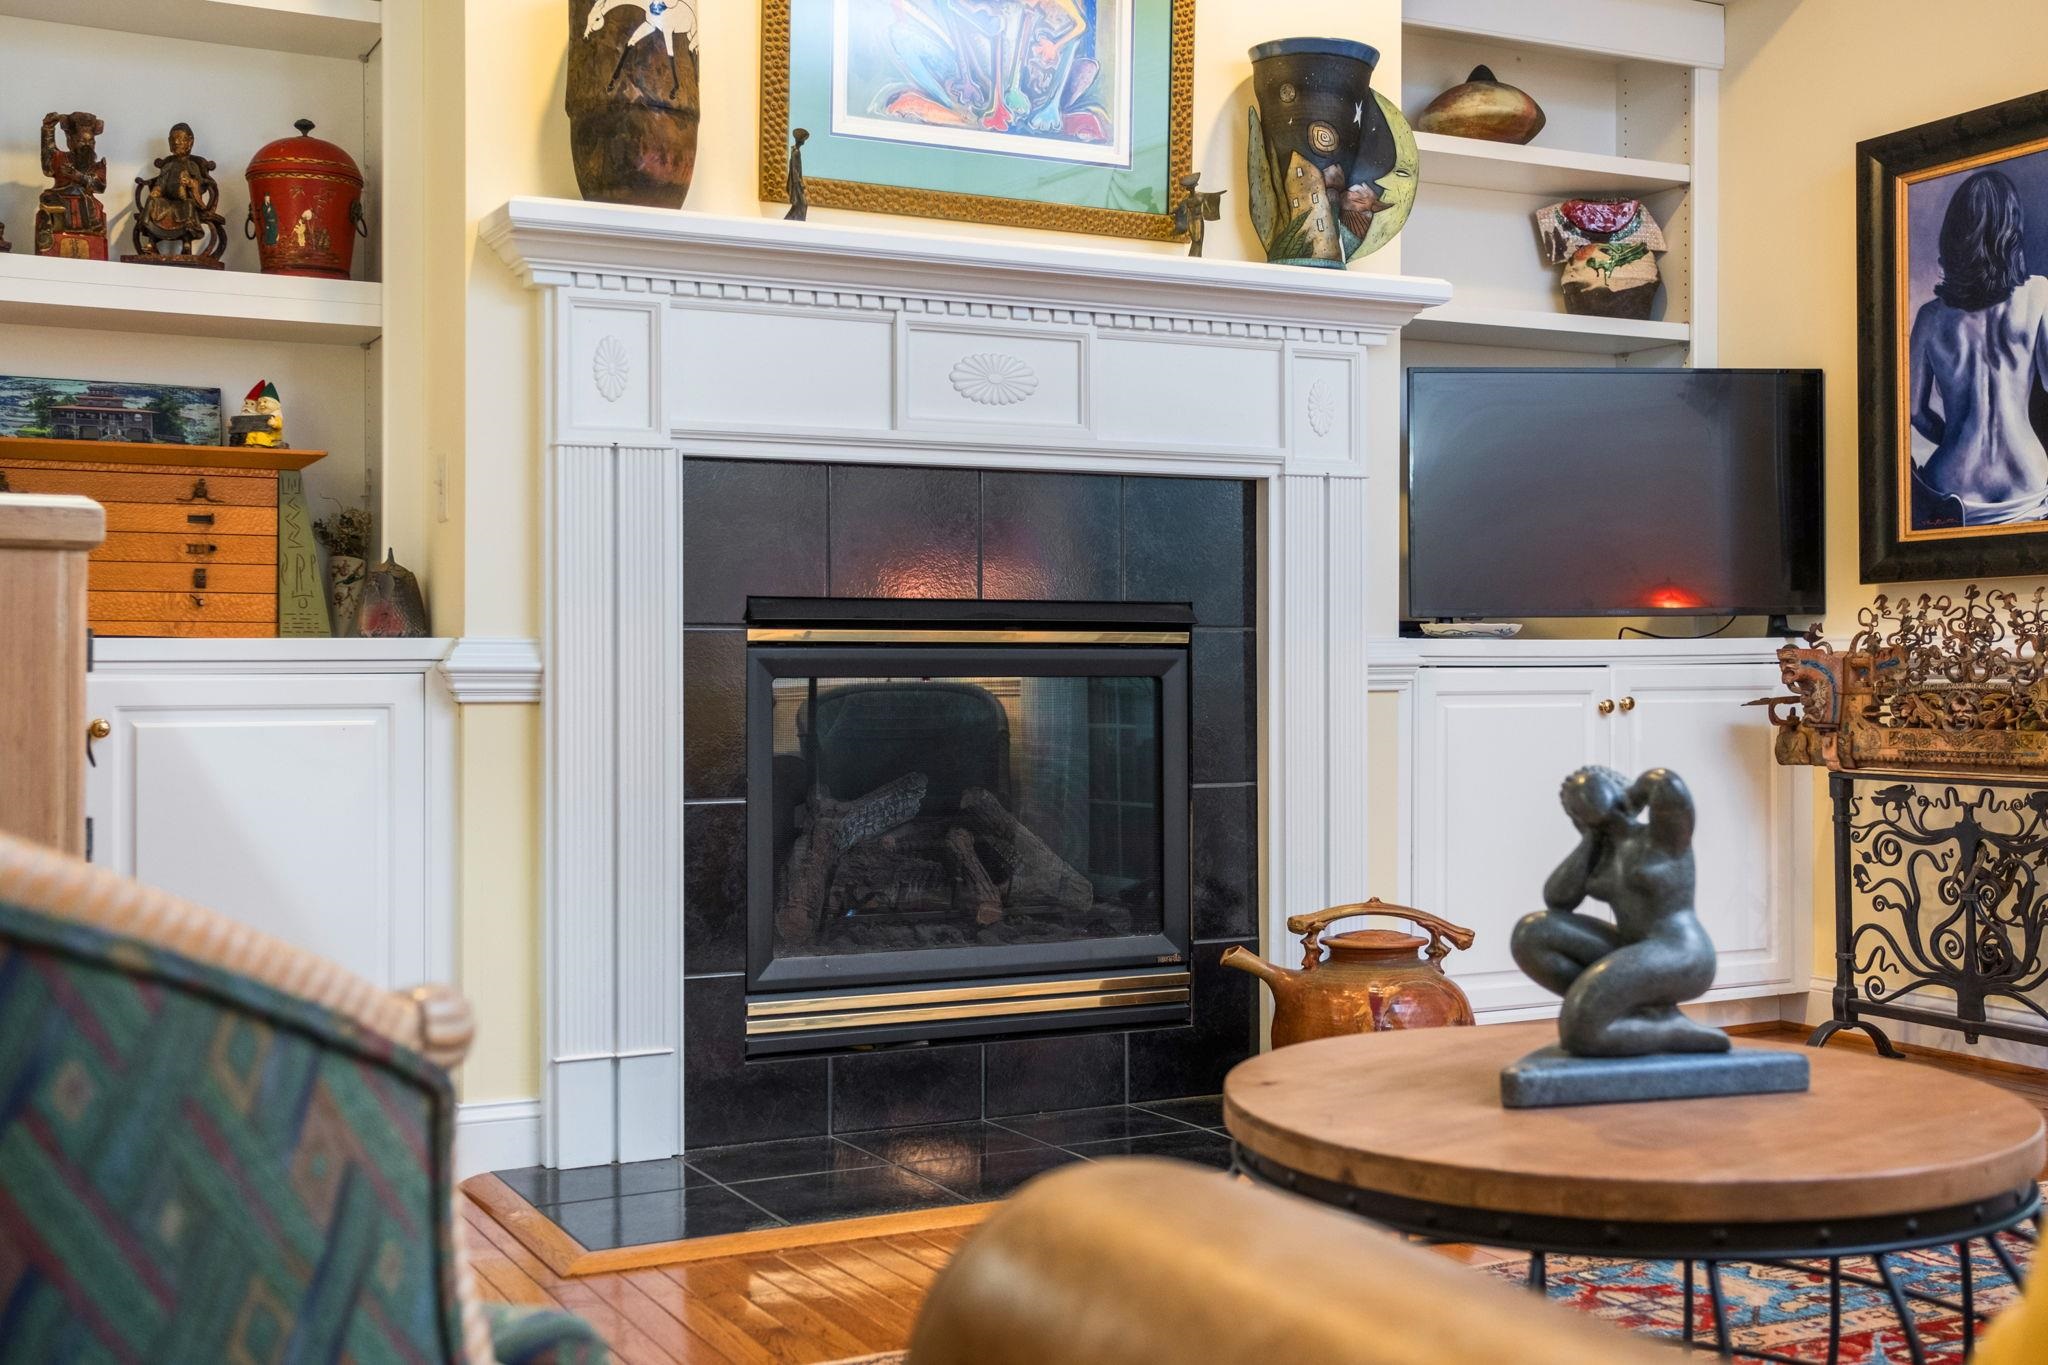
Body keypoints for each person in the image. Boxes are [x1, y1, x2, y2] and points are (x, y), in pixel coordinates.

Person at [1510, 766, 1728, 1057]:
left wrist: (1632, 798)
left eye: (1591, 791)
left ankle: (1667, 1030)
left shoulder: (1664, 839)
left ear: (1618, 787)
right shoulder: (1599, 857)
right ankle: (1636, 1013)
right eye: (1576, 806)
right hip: (1633, 949)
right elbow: (1557, 899)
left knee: (1580, 1033)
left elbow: (1667, 784)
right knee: (1531, 933)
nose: (1585, 803)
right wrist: (1590, 837)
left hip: (1681, 952)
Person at [1908, 168, 2048, 528]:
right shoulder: (2039, 295)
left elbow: (1914, 412)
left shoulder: (1930, 317)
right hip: (2025, 483)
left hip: (1952, 488)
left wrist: (1957, 436)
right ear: (2011, 230)